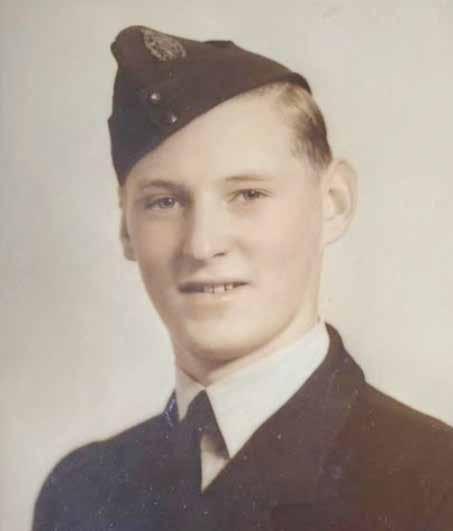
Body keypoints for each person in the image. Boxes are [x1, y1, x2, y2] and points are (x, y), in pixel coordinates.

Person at [32, 26, 453, 531]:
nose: (201, 245)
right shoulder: (80, 493)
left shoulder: (431, 484)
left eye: (248, 194)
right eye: (164, 202)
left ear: (334, 203)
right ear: (126, 228)